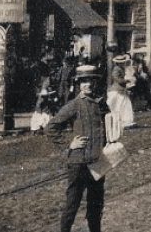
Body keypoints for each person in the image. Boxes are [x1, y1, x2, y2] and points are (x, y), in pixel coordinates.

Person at [47, 63, 111, 232]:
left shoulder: (102, 104)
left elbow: (109, 127)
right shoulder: (74, 105)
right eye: (83, 81)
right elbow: (52, 127)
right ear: (78, 84)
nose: (88, 84)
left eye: (91, 80)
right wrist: (69, 143)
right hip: (78, 164)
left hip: (98, 162)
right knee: (72, 204)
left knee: (96, 205)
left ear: (96, 83)